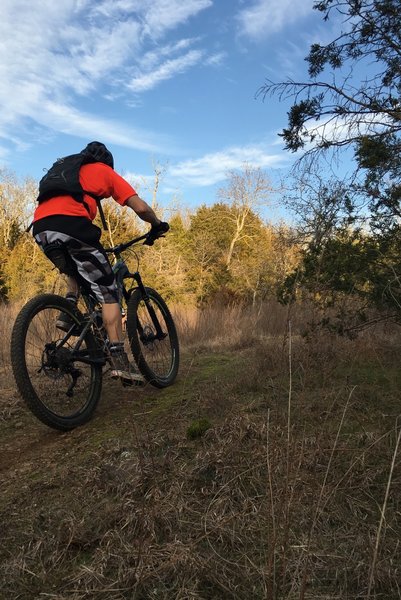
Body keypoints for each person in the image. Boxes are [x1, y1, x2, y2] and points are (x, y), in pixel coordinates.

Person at [32, 141, 169, 384]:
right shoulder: (102, 170)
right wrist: (156, 224)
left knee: (76, 267)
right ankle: (118, 359)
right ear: (107, 163)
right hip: (72, 225)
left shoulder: (70, 171)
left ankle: (69, 310)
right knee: (109, 292)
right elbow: (140, 207)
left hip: (42, 229)